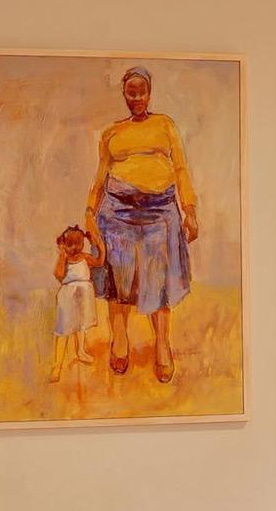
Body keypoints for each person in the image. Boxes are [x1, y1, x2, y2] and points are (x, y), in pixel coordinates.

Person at [85, 66, 197, 382]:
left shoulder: (165, 126)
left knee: (159, 280)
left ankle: (162, 345)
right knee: (118, 280)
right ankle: (119, 341)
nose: (136, 97)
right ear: (125, 94)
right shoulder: (112, 133)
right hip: (116, 212)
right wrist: (89, 212)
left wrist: (190, 210)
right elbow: (100, 175)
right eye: (130, 92)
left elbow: (181, 169)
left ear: (149, 93)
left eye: (141, 91)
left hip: (160, 211)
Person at [49, 224, 101, 381]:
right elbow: (58, 275)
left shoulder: (84, 257)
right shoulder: (65, 259)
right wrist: (61, 255)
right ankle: (57, 366)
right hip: (68, 296)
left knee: (81, 324)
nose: (73, 247)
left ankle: (81, 351)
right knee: (64, 329)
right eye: (69, 244)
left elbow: (99, 262)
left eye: (76, 243)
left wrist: (99, 245)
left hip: (84, 294)